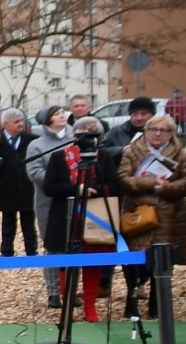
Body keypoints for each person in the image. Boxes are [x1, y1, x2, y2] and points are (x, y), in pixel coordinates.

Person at [43, 116, 111, 323]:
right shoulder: (59, 156)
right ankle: (67, 303)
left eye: (91, 133)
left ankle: (90, 304)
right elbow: (49, 187)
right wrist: (76, 189)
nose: (86, 137)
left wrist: (94, 190)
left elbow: (115, 184)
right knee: (66, 261)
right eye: (82, 133)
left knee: (92, 261)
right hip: (65, 216)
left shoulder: (103, 157)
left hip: (95, 216)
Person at [118, 113, 186, 319]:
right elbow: (124, 179)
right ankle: (132, 301)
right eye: (153, 129)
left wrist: (166, 188)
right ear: (145, 131)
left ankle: (157, 305)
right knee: (134, 260)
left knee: (163, 261)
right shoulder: (131, 151)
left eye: (163, 130)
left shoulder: (181, 154)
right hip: (138, 212)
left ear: (171, 133)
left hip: (169, 213)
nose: (157, 133)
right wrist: (150, 183)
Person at [26, 106, 72, 308]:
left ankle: (70, 290)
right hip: (48, 203)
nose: (62, 115)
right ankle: (53, 292)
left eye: (63, 112)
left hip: (75, 201)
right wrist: (63, 181)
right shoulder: (37, 145)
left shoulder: (75, 139)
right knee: (53, 247)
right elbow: (35, 173)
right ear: (46, 120)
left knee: (74, 247)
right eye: (56, 113)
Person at [0, 108, 37, 257]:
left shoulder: (32, 140)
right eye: (16, 122)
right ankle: (6, 251)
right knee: (8, 222)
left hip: (28, 188)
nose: (20, 124)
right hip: (7, 189)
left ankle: (32, 251)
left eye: (21, 121)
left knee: (29, 221)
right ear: (5, 124)